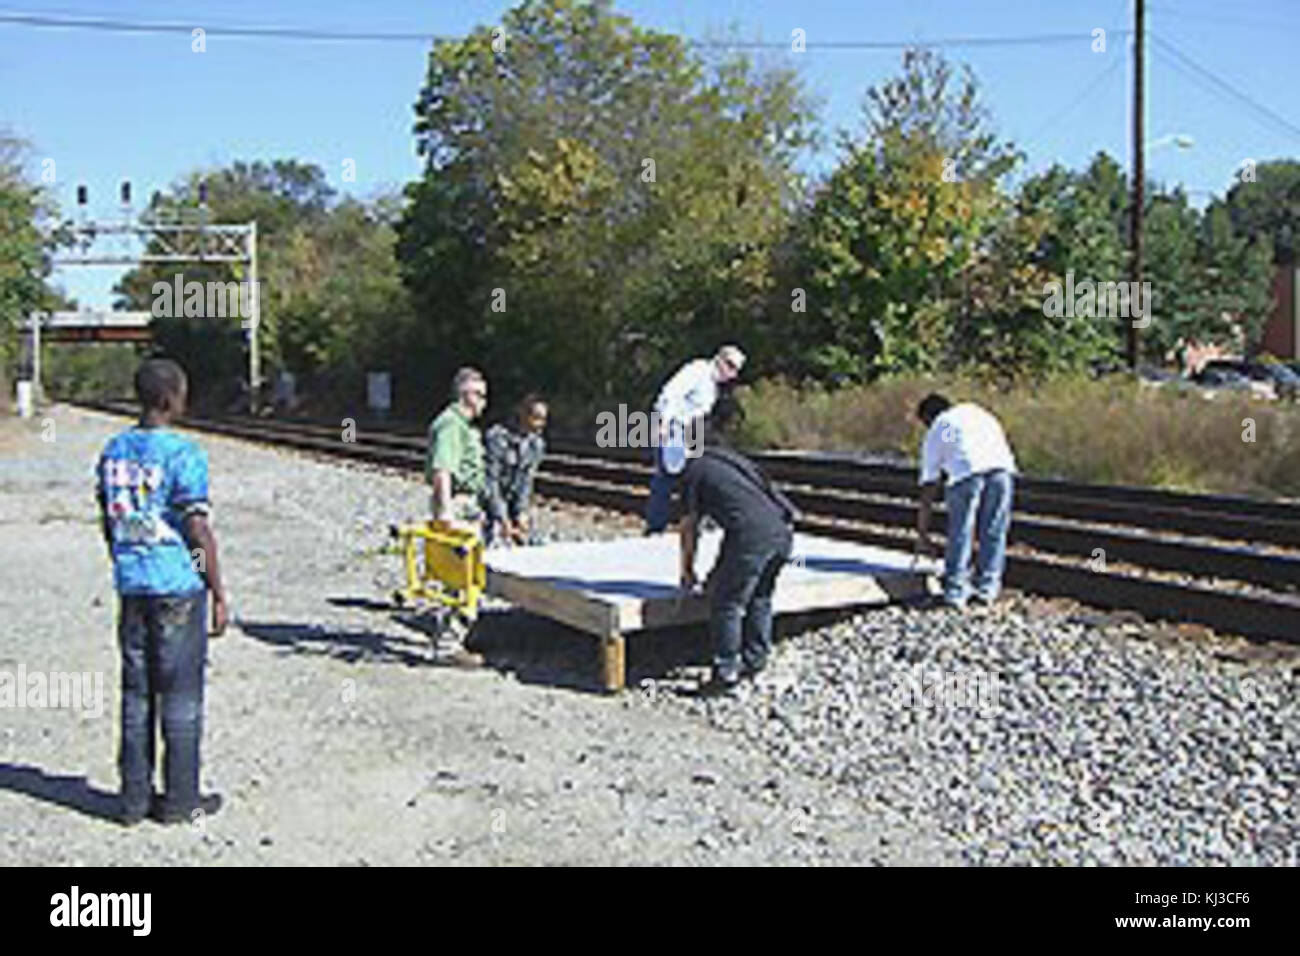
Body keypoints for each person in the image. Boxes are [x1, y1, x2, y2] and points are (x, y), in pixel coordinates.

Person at [96, 358, 227, 826]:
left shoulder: (113, 451)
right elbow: (196, 529)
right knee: (181, 697)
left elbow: (106, 521)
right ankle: (180, 801)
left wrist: (125, 562)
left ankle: (132, 801)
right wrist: (216, 589)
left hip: (132, 587)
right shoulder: (183, 453)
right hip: (177, 588)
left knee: (136, 695)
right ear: (170, 398)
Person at [678, 417, 796, 696]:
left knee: (726, 601)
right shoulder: (738, 461)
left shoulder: (694, 469)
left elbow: (689, 526)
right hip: (783, 530)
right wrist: (717, 571)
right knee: (760, 595)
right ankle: (755, 660)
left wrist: (687, 569)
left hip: (750, 537)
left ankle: (725, 672)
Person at [913, 393, 1018, 609]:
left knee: (961, 531)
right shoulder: (976, 412)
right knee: (994, 531)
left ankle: (955, 592)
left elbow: (929, 484)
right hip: (1002, 470)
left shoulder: (940, 426)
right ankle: (987, 590)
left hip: (967, 473)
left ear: (927, 418)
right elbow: (963, 445)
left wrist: (923, 531)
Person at [425, 366, 489, 666]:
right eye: (481, 395)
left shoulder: (463, 426)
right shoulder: (450, 425)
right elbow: (443, 472)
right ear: (467, 394)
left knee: (469, 574)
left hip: (467, 505)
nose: (484, 402)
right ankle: (448, 645)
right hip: (457, 505)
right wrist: (445, 513)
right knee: (459, 575)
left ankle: (457, 632)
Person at [645, 344, 746, 533]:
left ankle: (696, 521)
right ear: (719, 359)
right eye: (730, 365)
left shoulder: (715, 385)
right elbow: (671, 394)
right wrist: (664, 424)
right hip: (672, 424)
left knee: (695, 476)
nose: (732, 373)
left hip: (689, 429)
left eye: (736, 369)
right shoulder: (697, 371)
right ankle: (655, 526)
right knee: (666, 476)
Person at [482, 393, 548, 547]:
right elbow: (491, 481)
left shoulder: (536, 445)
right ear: (523, 414)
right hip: (489, 504)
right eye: (536, 417)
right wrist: (502, 517)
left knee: (532, 542)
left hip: (512, 503)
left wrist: (521, 513)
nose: (540, 424)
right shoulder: (498, 437)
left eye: (543, 419)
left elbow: (526, 481)